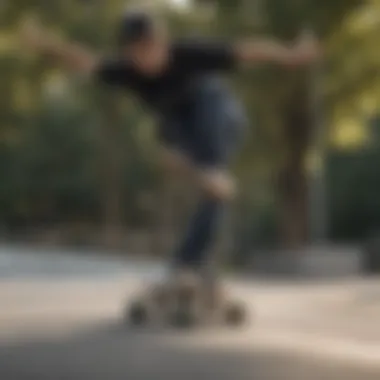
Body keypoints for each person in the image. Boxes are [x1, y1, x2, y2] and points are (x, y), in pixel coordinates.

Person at [21, 10, 320, 295]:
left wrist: (289, 54)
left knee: (207, 107)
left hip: (220, 115)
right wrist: (45, 44)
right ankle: (195, 259)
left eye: (150, 48)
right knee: (182, 159)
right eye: (136, 52)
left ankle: (187, 256)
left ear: (162, 42)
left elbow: (245, 51)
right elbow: (85, 61)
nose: (145, 58)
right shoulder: (126, 71)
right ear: (128, 52)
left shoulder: (188, 53)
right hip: (181, 130)